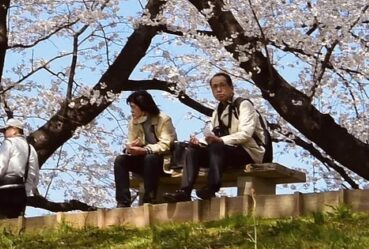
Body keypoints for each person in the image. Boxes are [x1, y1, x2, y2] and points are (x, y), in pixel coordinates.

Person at [179, 72, 272, 200]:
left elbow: (245, 134)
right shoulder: (217, 111)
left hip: (249, 152)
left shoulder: (243, 104)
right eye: (214, 87)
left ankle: (211, 188)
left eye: (222, 85)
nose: (218, 89)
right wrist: (198, 142)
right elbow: (212, 135)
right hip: (226, 152)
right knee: (192, 150)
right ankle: (185, 191)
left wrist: (219, 140)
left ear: (231, 87)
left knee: (216, 147)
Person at [111, 90, 179, 207]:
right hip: (143, 159)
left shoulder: (163, 119)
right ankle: (123, 201)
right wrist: (131, 148)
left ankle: (149, 198)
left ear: (143, 107)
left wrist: (145, 149)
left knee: (150, 158)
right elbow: (131, 141)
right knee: (120, 160)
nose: (131, 111)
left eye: (133, 107)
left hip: (163, 161)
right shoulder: (134, 122)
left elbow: (167, 144)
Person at [0, 122, 39, 218]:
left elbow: (1, 163)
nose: (4, 134)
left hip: (5, 188)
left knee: (0, 221)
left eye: (6, 130)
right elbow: (34, 172)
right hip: (21, 190)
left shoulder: (9, 143)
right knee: (17, 222)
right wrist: (27, 189)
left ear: (14, 130)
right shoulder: (30, 148)